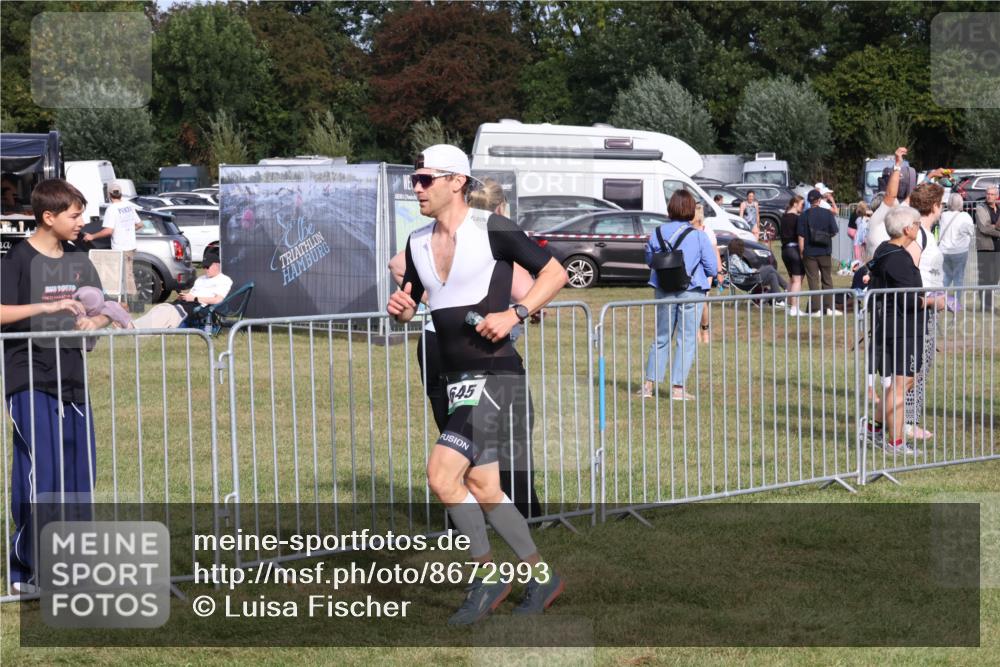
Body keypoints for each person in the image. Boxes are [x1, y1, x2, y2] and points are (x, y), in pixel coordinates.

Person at [386, 144, 568, 625]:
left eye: (426, 179)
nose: (417, 187)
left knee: (442, 474)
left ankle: (486, 575)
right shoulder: (417, 241)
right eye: (415, 180)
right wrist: (404, 311)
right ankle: (541, 574)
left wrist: (516, 313)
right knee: (484, 486)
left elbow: (556, 271)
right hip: (451, 380)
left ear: (456, 182)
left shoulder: (494, 229)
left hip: (496, 375)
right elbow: (417, 301)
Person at [387, 178, 542, 519]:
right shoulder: (458, 239)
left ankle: (478, 516)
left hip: (444, 346)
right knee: (498, 432)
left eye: (425, 180)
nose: (417, 188)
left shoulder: (462, 238)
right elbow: (527, 286)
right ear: (500, 210)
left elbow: (396, 265)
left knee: (461, 435)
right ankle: (517, 511)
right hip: (465, 352)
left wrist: (436, 298)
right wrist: (438, 298)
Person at [0, 179, 113, 594]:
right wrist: (46, 306)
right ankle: (28, 570)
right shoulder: (17, 258)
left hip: (72, 379)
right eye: (75, 214)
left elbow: (103, 306)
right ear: (49, 217)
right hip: (29, 378)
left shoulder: (79, 257)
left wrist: (92, 321)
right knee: (40, 474)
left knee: (82, 474)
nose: (81, 221)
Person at [868, 206, 946, 454]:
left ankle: (874, 429)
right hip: (902, 328)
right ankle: (896, 442)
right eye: (916, 223)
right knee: (901, 385)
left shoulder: (885, 250)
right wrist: (935, 301)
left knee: (900, 384)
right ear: (907, 229)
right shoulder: (899, 259)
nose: (918, 226)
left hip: (895, 326)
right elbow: (909, 300)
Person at [639, 190, 718, 401]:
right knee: (687, 339)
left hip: (664, 289)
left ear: (670, 208)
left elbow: (650, 260)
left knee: (661, 337)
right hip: (691, 291)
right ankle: (678, 388)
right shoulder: (699, 236)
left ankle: (648, 386)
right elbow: (712, 267)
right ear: (692, 210)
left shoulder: (657, 233)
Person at [902, 183, 947, 441]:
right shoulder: (918, 234)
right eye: (940, 204)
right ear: (934, 206)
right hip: (918, 308)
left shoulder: (926, 233)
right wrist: (929, 299)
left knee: (922, 364)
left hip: (927, 306)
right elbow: (911, 272)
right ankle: (907, 421)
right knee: (914, 367)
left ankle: (908, 418)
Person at [132, 246, 232, 330]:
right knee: (160, 308)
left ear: (216, 265)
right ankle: (133, 325)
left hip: (198, 307)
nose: (205, 269)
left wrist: (194, 298)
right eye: (204, 267)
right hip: (186, 302)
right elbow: (193, 292)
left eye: (207, 267)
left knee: (168, 313)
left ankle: (136, 328)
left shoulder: (224, 280)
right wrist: (185, 296)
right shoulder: (201, 279)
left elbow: (218, 300)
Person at [82, 181, 143, 307]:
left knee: (126, 276)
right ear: (120, 193)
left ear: (109, 194)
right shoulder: (128, 205)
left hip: (120, 247)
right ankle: (127, 301)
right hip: (131, 245)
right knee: (127, 274)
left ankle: (133, 303)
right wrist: (128, 230)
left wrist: (92, 236)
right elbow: (139, 224)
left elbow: (108, 231)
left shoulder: (112, 209)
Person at [797, 189, 841, 316]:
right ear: (819, 200)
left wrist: (802, 251)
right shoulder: (827, 213)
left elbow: (801, 236)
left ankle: (816, 310)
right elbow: (834, 231)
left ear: (809, 201)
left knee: (813, 280)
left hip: (809, 252)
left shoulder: (803, 216)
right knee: (827, 279)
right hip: (825, 250)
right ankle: (829, 308)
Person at [691, 204, 722, 343]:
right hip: (692, 270)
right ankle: (695, 331)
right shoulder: (688, 230)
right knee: (693, 302)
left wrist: (719, 270)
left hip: (705, 271)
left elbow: (715, 251)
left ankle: (705, 330)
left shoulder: (707, 230)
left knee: (702, 301)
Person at [938, 193, 976, 288]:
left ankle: (941, 299)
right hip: (960, 251)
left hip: (944, 251)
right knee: (958, 278)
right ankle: (957, 301)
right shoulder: (965, 216)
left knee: (946, 277)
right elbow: (971, 232)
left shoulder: (943, 215)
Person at [974, 185, 1000, 311]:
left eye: (992, 194)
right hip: (985, 248)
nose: (989, 196)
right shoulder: (980, 208)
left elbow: (991, 227)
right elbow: (984, 228)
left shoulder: (998, 208)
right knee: (985, 278)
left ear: (997, 196)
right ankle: (984, 305)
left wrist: (993, 226)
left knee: (995, 278)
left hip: (998, 249)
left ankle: (989, 305)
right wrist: (996, 228)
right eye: (988, 193)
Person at [779, 195, 806, 316]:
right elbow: (800, 236)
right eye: (802, 205)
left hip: (785, 251)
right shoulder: (797, 218)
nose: (803, 207)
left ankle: (790, 306)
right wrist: (802, 252)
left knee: (791, 279)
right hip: (794, 250)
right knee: (797, 280)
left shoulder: (783, 216)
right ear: (795, 204)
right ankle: (794, 308)